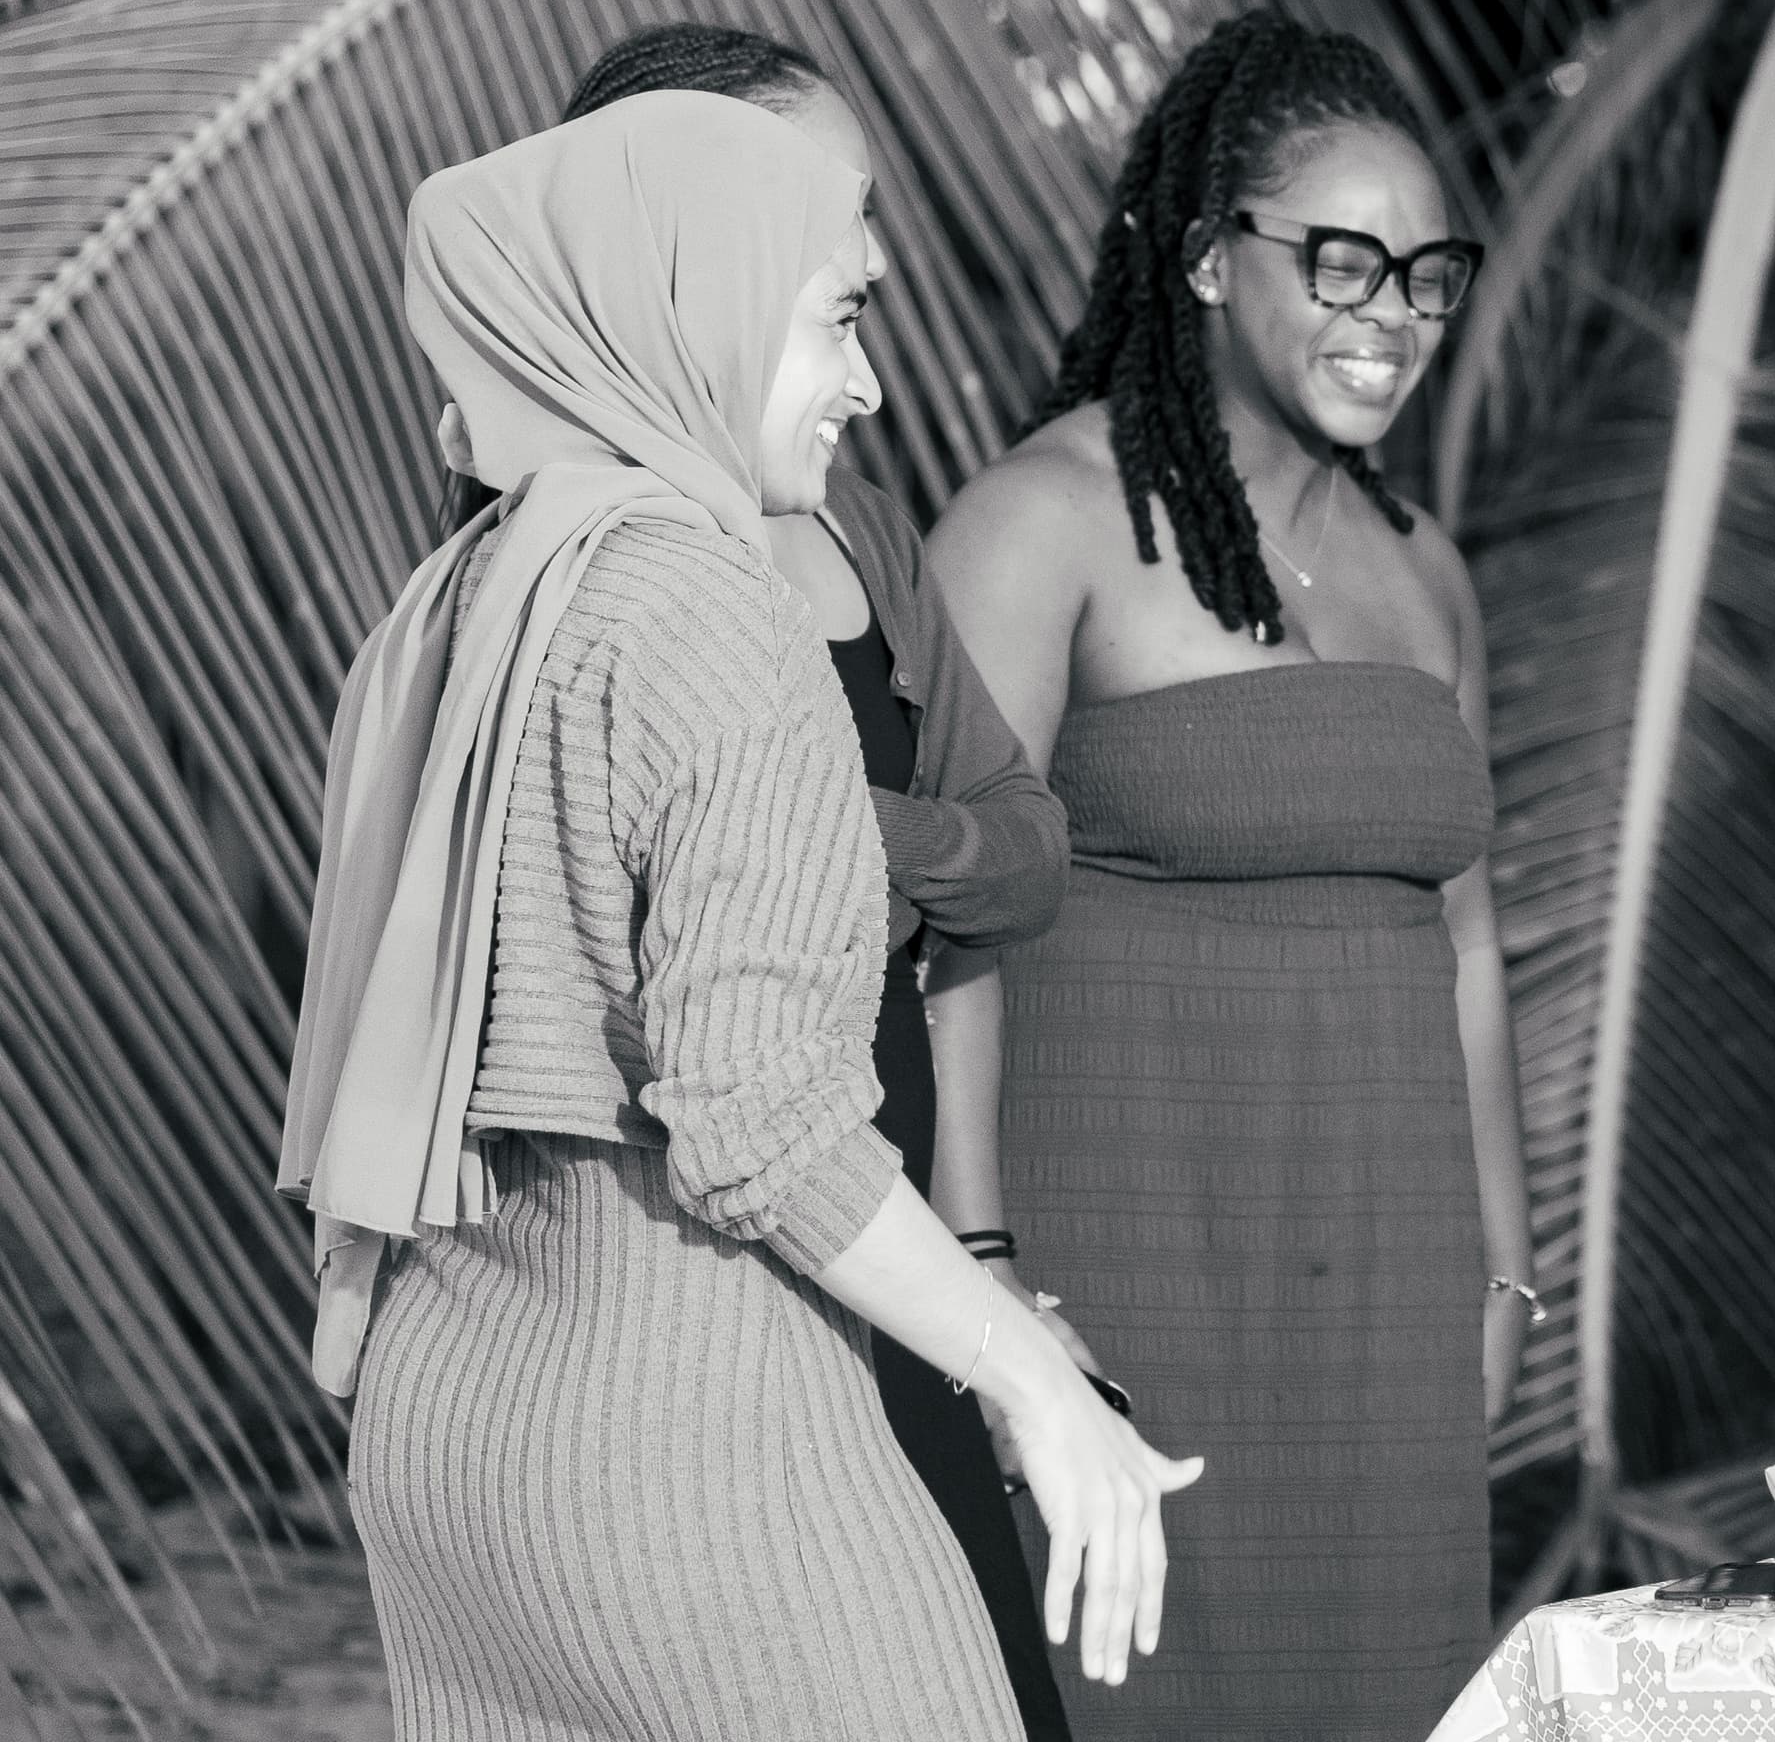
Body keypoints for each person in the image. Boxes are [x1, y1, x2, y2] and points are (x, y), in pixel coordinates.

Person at [278, 92, 1199, 1741]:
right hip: (701, 1442)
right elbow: (759, 1113)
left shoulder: (476, 589)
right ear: (697, 301)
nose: (869, 380)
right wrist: (1036, 1376)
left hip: (457, 1450)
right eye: (838, 314)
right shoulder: (716, 609)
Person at [929, 11, 1531, 1740]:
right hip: (1123, 1272)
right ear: (1204, 257)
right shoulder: (1042, 523)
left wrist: (1502, 1268)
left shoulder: (1429, 572)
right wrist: (987, 1283)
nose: (1391, 316)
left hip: (1391, 1294)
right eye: (1344, 262)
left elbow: (1468, 941)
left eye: (1427, 276)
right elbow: (939, 926)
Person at [526, 24, 1087, 1741]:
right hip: (701, 1293)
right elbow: (723, 1081)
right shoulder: (603, 584)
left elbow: (1024, 852)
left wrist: (832, 829)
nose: (871, 360)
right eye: (828, 274)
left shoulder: (853, 534)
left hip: (880, 1225)